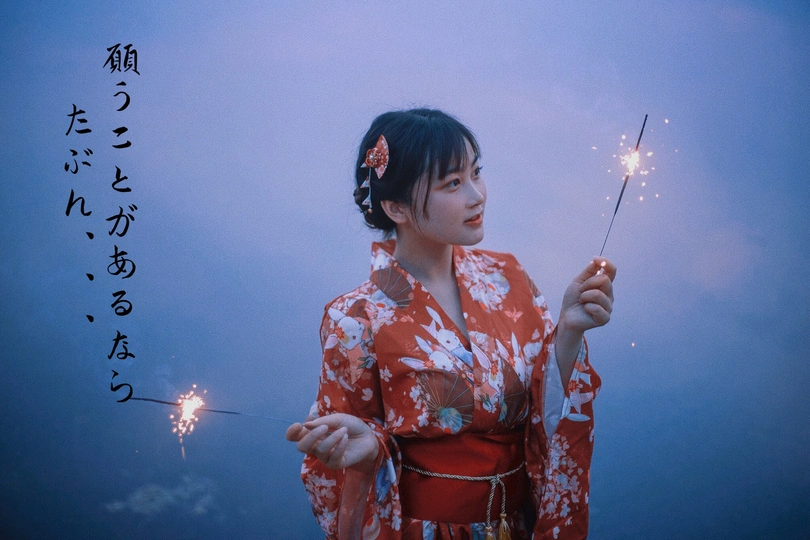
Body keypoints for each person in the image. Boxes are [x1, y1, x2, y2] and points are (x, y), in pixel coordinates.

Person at [286, 109, 616, 539]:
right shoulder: (354, 319)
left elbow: (543, 402)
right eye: (452, 183)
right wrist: (368, 451)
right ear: (396, 207)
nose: (477, 195)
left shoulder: (508, 277)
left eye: (476, 173)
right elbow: (344, 454)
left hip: (515, 525)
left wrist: (570, 331)